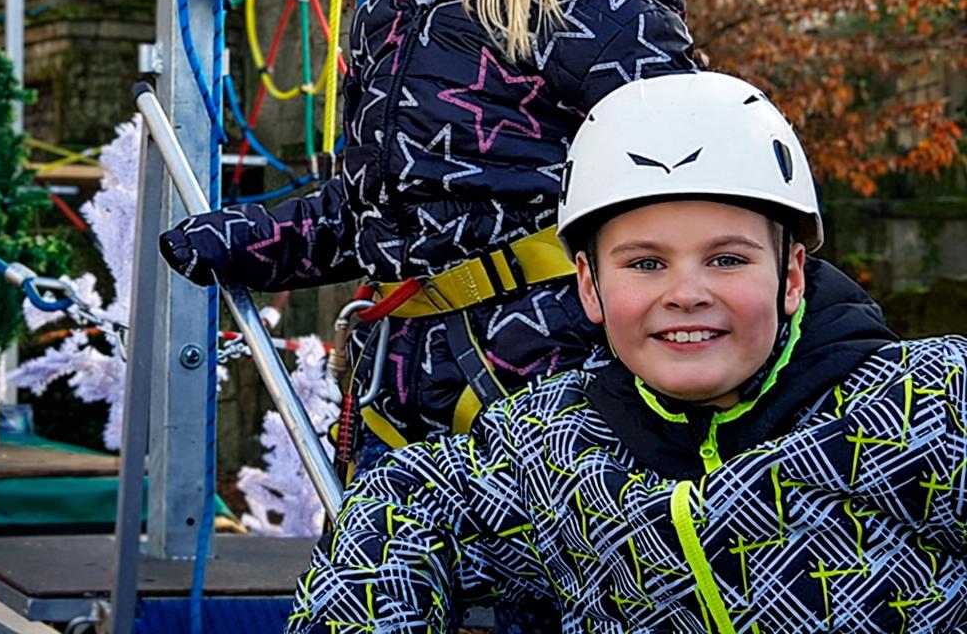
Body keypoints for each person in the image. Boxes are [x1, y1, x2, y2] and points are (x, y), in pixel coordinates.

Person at [161, 0, 695, 467]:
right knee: (370, 582)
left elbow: (687, 199)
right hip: (399, 379)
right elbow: (373, 214)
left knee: (514, 583)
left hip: (548, 386)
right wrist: (250, 240)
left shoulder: (595, 6)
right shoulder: (392, 15)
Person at [283, 71, 967, 632]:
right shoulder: (555, 449)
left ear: (791, 276)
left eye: (727, 259)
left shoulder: (921, 409)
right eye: (645, 264)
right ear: (590, 286)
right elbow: (406, 502)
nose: (687, 293)